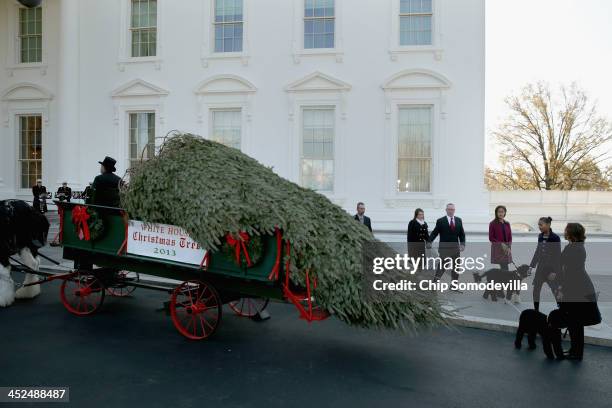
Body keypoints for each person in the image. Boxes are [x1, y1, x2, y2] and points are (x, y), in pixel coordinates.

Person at [548, 223, 601, 361]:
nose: (564, 232)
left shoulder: (574, 248)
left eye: (566, 230)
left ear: (571, 233)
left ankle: (576, 353)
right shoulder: (576, 247)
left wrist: (559, 283)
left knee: (575, 320)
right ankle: (575, 351)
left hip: (577, 288)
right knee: (576, 321)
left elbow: (570, 271)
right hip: (579, 286)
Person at [429, 203, 466, 287]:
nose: (451, 211)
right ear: (446, 210)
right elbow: (435, 233)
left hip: (455, 249)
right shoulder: (441, 221)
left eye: (452, 209)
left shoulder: (458, 220)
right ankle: (434, 284)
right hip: (444, 249)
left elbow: (462, 234)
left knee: (456, 267)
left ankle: (454, 286)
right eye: (449, 209)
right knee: (442, 267)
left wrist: (463, 244)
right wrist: (429, 241)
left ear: (454, 210)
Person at [529, 216, 561, 312]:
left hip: (551, 269)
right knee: (536, 290)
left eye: (541, 224)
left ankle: (562, 310)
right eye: (538, 224)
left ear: (548, 225)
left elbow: (558, 256)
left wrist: (555, 271)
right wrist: (531, 266)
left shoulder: (555, 237)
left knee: (555, 290)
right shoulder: (540, 236)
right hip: (540, 268)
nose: (539, 226)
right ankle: (536, 310)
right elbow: (537, 252)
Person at [489, 205, 512, 272]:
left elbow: (510, 237)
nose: (500, 213)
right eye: (499, 212)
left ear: (505, 213)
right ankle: (504, 281)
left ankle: (502, 281)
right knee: (504, 267)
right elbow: (491, 237)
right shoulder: (492, 223)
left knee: (504, 267)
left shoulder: (507, 223)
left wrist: (509, 247)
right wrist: (501, 244)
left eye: (502, 212)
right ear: (496, 213)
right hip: (498, 248)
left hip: (507, 249)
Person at [407, 208, 429, 273]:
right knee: (415, 262)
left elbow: (426, 235)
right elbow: (409, 236)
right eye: (419, 214)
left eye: (422, 214)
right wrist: (410, 247)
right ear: (416, 215)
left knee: (422, 262)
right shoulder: (412, 223)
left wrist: (429, 242)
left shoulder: (424, 223)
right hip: (414, 246)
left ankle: (419, 275)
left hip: (421, 246)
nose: (421, 216)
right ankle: (415, 276)